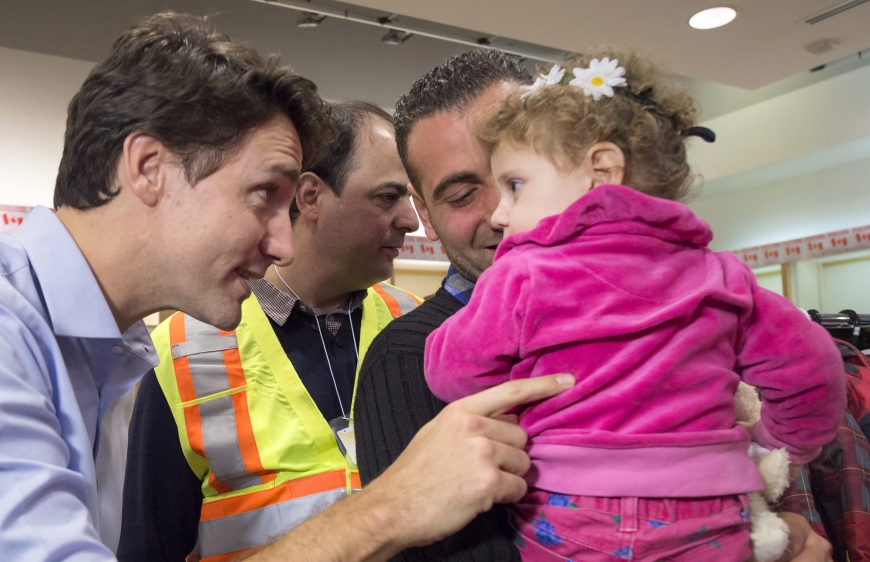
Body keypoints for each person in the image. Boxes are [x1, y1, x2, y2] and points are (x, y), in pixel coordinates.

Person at [0, 14, 573, 561]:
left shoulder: (107, 358)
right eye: (263, 194)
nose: (282, 243)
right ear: (148, 167)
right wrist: (389, 509)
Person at [354, 48, 837, 562]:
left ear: (599, 167)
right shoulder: (402, 359)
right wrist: (769, 449)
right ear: (424, 211)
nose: (499, 213)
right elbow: (811, 372)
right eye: (463, 194)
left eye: (515, 182)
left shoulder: (523, 283)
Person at [118, 100, 422, 561]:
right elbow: (149, 550)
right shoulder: (183, 353)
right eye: (387, 197)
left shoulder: (418, 328)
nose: (411, 220)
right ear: (311, 197)